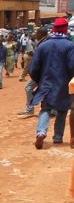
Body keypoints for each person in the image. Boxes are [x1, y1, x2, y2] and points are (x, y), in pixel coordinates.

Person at [31, 18, 74, 149]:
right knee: (62, 109)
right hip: (63, 83)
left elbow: (33, 68)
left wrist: (39, 80)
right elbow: (72, 66)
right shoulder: (70, 46)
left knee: (46, 108)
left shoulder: (43, 45)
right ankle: (58, 137)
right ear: (66, 29)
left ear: (54, 29)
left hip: (46, 83)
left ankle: (41, 132)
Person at [17, 28, 49, 119]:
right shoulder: (44, 42)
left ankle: (30, 110)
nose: (35, 35)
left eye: (37, 33)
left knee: (29, 87)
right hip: (45, 71)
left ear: (41, 34)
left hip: (42, 72)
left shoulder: (43, 44)